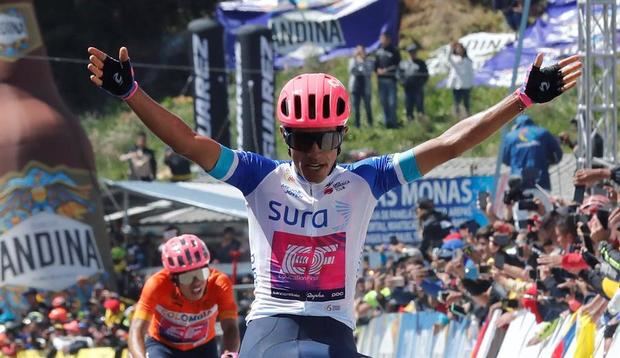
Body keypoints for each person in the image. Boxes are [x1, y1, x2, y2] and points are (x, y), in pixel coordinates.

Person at [87, 45, 581, 357]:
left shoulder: (369, 179)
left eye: (324, 138)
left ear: (341, 135)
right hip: (271, 322)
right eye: (302, 140)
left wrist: (522, 99)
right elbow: (188, 141)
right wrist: (131, 92)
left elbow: (450, 144)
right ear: (286, 139)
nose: (315, 152)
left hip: (334, 327)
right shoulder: (260, 177)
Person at [127, 234, 240, 358]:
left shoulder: (220, 283)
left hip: (203, 346)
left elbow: (230, 327)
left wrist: (229, 354)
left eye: (201, 273)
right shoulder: (156, 285)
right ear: (173, 279)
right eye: (187, 277)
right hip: (163, 346)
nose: (196, 282)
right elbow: (136, 330)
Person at [501, 114, 563, 191]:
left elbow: (505, 159)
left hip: (518, 182)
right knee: (542, 202)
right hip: (541, 181)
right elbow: (557, 155)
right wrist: (548, 161)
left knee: (520, 199)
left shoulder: (510, 136)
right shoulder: (543, 133)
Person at [374, 32, 401, 128]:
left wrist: (386, 70)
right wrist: (377, 70)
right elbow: (375, 64)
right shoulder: (378, 51)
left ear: (388, 39)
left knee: (392, 103)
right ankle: (387, 123)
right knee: (383, 102)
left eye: (384, 39)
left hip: (391, 80)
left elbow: (397, 64)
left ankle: (394, 123)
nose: (382, 41)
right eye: (381, 39)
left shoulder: (394, 50)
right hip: (381, 81)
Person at [398, 43, 428, 121]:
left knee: (419, 106)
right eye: (411, 52)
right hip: (408, 89)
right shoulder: (403, 63)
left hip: (418, 88)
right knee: (408, 106)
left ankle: (421, 122)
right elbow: (399, 74)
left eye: (414, 52)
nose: (413, 54)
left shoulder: (421, 63)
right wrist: (403, 83)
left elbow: (425, 75)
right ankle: (410, 121)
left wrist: (421, 83)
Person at [446, 42, 475, 118]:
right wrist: (451, 48)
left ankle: (468, 115)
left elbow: (471, 73)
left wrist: (471, 84)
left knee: (466, 102)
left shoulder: (468, 60)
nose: (459, 50)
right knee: (456, 102)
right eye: (457, 49)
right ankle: (457, 116)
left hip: (466, 85)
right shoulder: (454, 59)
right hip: (457, 85)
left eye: (460, 48)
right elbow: (448, 58)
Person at [348, 45, 374, 128]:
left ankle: (370, 124)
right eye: (358, 51)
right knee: (356, 107)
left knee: (367, 106)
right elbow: (352, 71)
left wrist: (362, 62)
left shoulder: (369, 61)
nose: (360, 53)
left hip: (365, 87)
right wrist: (356, 59)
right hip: (355, 87)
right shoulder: (352, 60)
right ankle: (357, 125)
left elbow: (368, 72)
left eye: (361, 51)